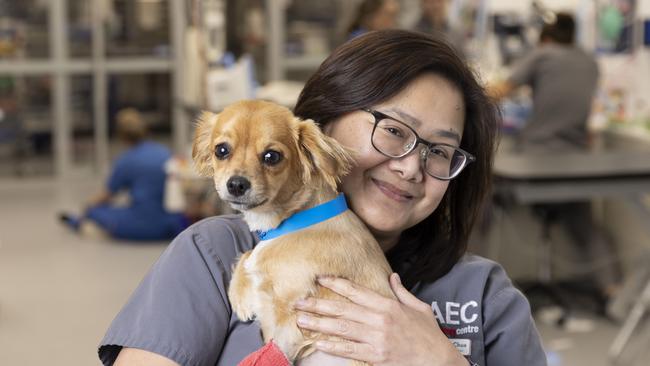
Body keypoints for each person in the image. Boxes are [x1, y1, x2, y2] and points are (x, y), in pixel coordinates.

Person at [98, 30, 546, 366]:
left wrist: (443, 362)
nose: (411, 166)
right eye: (393, 131)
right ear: (323, 126)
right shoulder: (213, 257)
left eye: (440, 151)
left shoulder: (486, 296)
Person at [489, 13, 621, 305]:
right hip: (574, 163)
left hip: (535, 159)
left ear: (546, 38)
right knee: (585, 226)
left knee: (482, 203)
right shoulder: (589, 62)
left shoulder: (542, 54)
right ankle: (613, 292)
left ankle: (483, 293)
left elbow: (498, 92)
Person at [59, 108, 188, 241]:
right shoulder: (165, 152)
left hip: (144, 225)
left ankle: (78, 223)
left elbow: (107, 195)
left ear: (121, 135)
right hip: (171, 223)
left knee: (95, 211)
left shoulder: (126, 160)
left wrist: (87, 206)